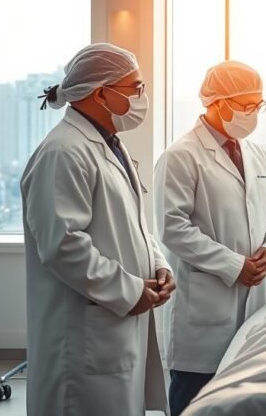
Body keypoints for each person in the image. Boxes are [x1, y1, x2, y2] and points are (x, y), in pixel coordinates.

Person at [21, 43, 173, 416]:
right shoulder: (63, 152)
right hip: (84, 334)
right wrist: (129, 290)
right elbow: (63, 246)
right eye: (134, 88)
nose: (142, 98)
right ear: (101, 93)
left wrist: (158, 264)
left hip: (114, 322)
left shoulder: (110, 144)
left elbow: (134, 224)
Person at [154, 60, 266, 416]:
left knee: (245, 397)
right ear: (217, 102)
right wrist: (233, 265)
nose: (253, 114)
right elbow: (172, 227)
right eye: (246, 105)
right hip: (204, 306)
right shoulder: (180, 156)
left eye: (257, 105)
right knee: (193, 400)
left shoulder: (256, 154)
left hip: (253, 300)